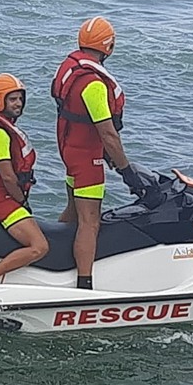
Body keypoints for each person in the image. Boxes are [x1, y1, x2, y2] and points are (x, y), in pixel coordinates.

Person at [51, 16, 146, 290]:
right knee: (90, 222)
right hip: (87, 160)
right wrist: (126, 170)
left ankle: (55, 257)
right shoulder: (94, 85)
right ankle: (84, 284)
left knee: (72, 210)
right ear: (109, 46)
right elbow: (107, 134)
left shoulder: (70, 69)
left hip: (69, 152)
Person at [0, 73, 49, 283]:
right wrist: (22, 202)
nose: (18, 104)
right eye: (12, 99)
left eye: (20, 98)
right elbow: (7, 176)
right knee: (39, 247)